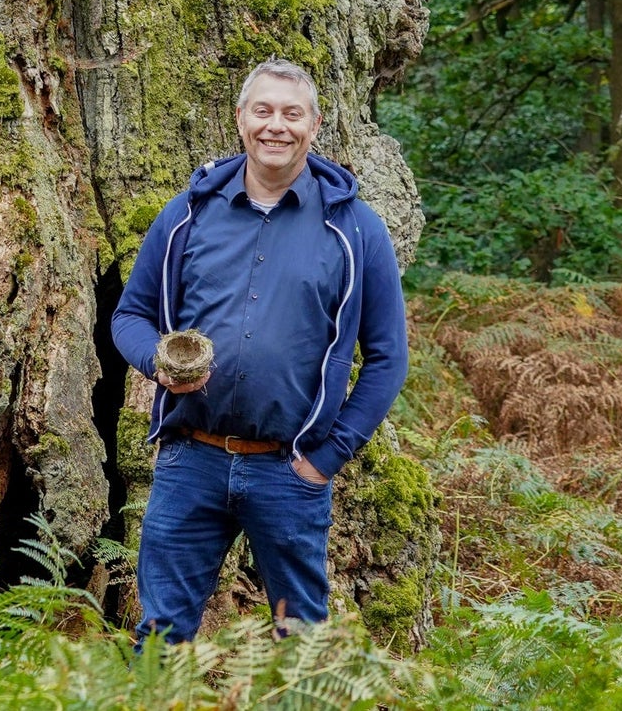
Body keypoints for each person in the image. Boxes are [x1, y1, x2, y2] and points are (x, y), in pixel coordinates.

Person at [111, 57, 409, 642]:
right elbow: (131, 316)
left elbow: (388, 357)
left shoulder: (356, 230)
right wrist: (158, 364)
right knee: (160, 639)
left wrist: (327, 459)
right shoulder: (188, 215)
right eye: (263, 111)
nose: (277, 125)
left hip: (289, 470)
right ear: (241, 118)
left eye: (291, 114)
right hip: (188, 461)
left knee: (298, 644)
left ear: (315, 125)